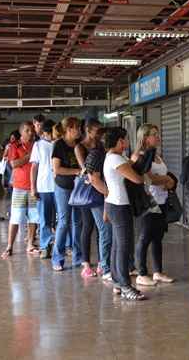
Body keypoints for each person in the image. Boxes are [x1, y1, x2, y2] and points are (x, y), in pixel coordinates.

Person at [103, 127, 147, 301]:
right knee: (123, 247)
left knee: (117, 245)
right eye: (126, 140)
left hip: (116, 204)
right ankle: (125, 285)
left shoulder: (114, 157)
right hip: (120, 206)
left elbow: (132, 163)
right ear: (120, 142)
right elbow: (137, 178)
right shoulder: (115, 159)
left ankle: (117, 282)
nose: (128, 143)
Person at [134, 124, 176, 287]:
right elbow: (149, 178)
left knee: (158, 236)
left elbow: (164, 175)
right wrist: (167, 180)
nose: (158, 137)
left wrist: (169, 180)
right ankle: (142, 273)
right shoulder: (140, 156)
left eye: (158, 134)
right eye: (154, 134)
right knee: (145, 237)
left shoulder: (156, 156)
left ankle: (158, 271)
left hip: (162, 200)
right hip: (148, 202)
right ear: (145, 138)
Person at [74, 119, 112, 279]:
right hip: (88, 192)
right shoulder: (81, 147)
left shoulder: (99, 148)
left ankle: (103, 263)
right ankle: (87, 263)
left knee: (100, 228)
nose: (100, 133)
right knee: (88, 226)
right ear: (88, 130)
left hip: (99, 188)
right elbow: (86, 171)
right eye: (97, 130)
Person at [1, 122, 38, 259]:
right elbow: (14, 163)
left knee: (34, 217)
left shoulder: (36, 145)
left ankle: (30, 244)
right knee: (16, 217)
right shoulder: (13, 146)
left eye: (32, 130)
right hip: (19, 187)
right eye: (27, 130)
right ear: (21, 132)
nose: (30, 133)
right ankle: (9, 246)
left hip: (34, 187)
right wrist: (29, 156)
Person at [51, 117, 83, 272]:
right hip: (63, 187)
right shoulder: (59, 145)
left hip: (78, 188)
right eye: (77, 128)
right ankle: (58, 258)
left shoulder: (79, 144)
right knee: (64, 222)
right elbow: (57, 170)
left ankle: (78, 257)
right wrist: (76, 171)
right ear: (69, 129)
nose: (79, 131)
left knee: (77, 223)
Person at [30, 119, 56, 260]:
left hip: (58, 187)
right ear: (46, 132)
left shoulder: (58, 144)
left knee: (62, 219)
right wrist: (33, 187)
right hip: (44, 187)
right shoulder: (38, 145)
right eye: (53, 131)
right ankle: (45, 246)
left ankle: (63, 245)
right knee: (45, 220)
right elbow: (34, 167)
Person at [2, 130, 20, 198]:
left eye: (13, 138)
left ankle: (14, 194)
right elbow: (4, 155)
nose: (11, 139)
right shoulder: (8, 145)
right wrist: (6, 150)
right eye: (11, 138)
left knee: (14, 180)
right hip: (9, 165)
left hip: (17, 165)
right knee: (10, 180)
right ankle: (11, 194)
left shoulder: (19, 145)